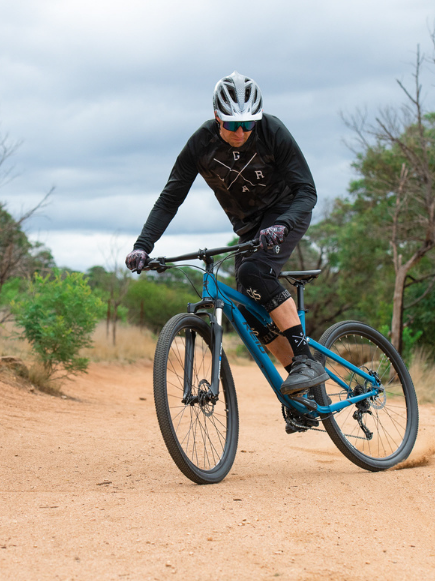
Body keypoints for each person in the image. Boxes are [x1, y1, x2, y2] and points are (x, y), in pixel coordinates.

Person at [126, 72, 326, 402]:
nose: (241, 132)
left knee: (253, 273)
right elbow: (170, 197)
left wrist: (283, 225)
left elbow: (307, 191)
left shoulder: (272, 131)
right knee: (246, 305)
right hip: (248, 228)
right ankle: (302, 388)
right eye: (233, 125)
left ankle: (306, 361)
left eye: (248, 125)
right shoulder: (201, 143)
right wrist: (142, 245)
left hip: (285, 214)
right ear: (217, 115)